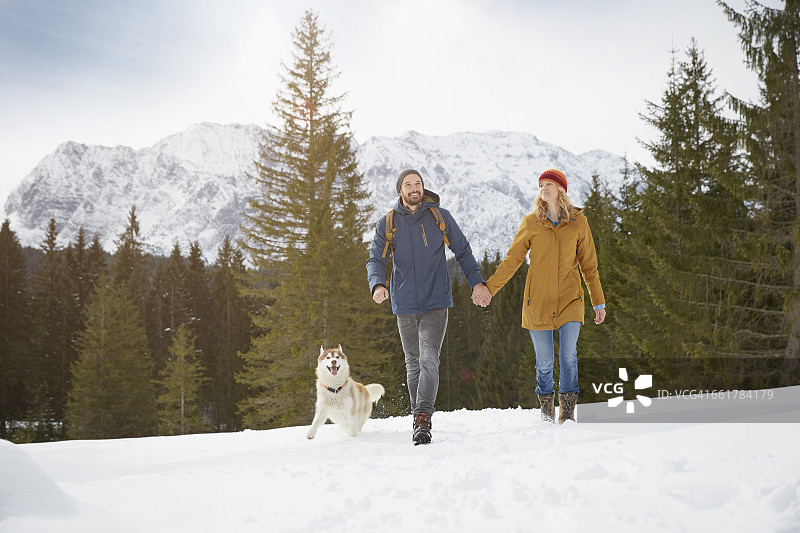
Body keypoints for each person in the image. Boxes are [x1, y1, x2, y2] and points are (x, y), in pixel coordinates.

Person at [366, 169, 491, 445]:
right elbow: (375, 258)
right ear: (400, 190)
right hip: (405, 303)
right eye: (408, 184)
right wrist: (377, 284)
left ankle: (423, 418)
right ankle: (418, 417)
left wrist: (477, 284)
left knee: (428, 359)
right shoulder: (388, 223)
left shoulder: (439, 216)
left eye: (418, 183)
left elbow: (463, 251)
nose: (414, 188)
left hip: (436, 301)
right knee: (412, 365)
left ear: (423, 188)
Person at [485, 169, 606, 424]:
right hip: (536, 302)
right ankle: (547, 410)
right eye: (541, 184)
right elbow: (512, 260)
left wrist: (598, 302)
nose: (544, 188)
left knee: (568, 357)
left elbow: (589, 266)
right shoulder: (531, 223)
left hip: (570, 300)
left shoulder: (578, 223)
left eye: (549, 183)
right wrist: (489, 288)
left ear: (561, 189)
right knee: (544, 363)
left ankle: (568, 412)